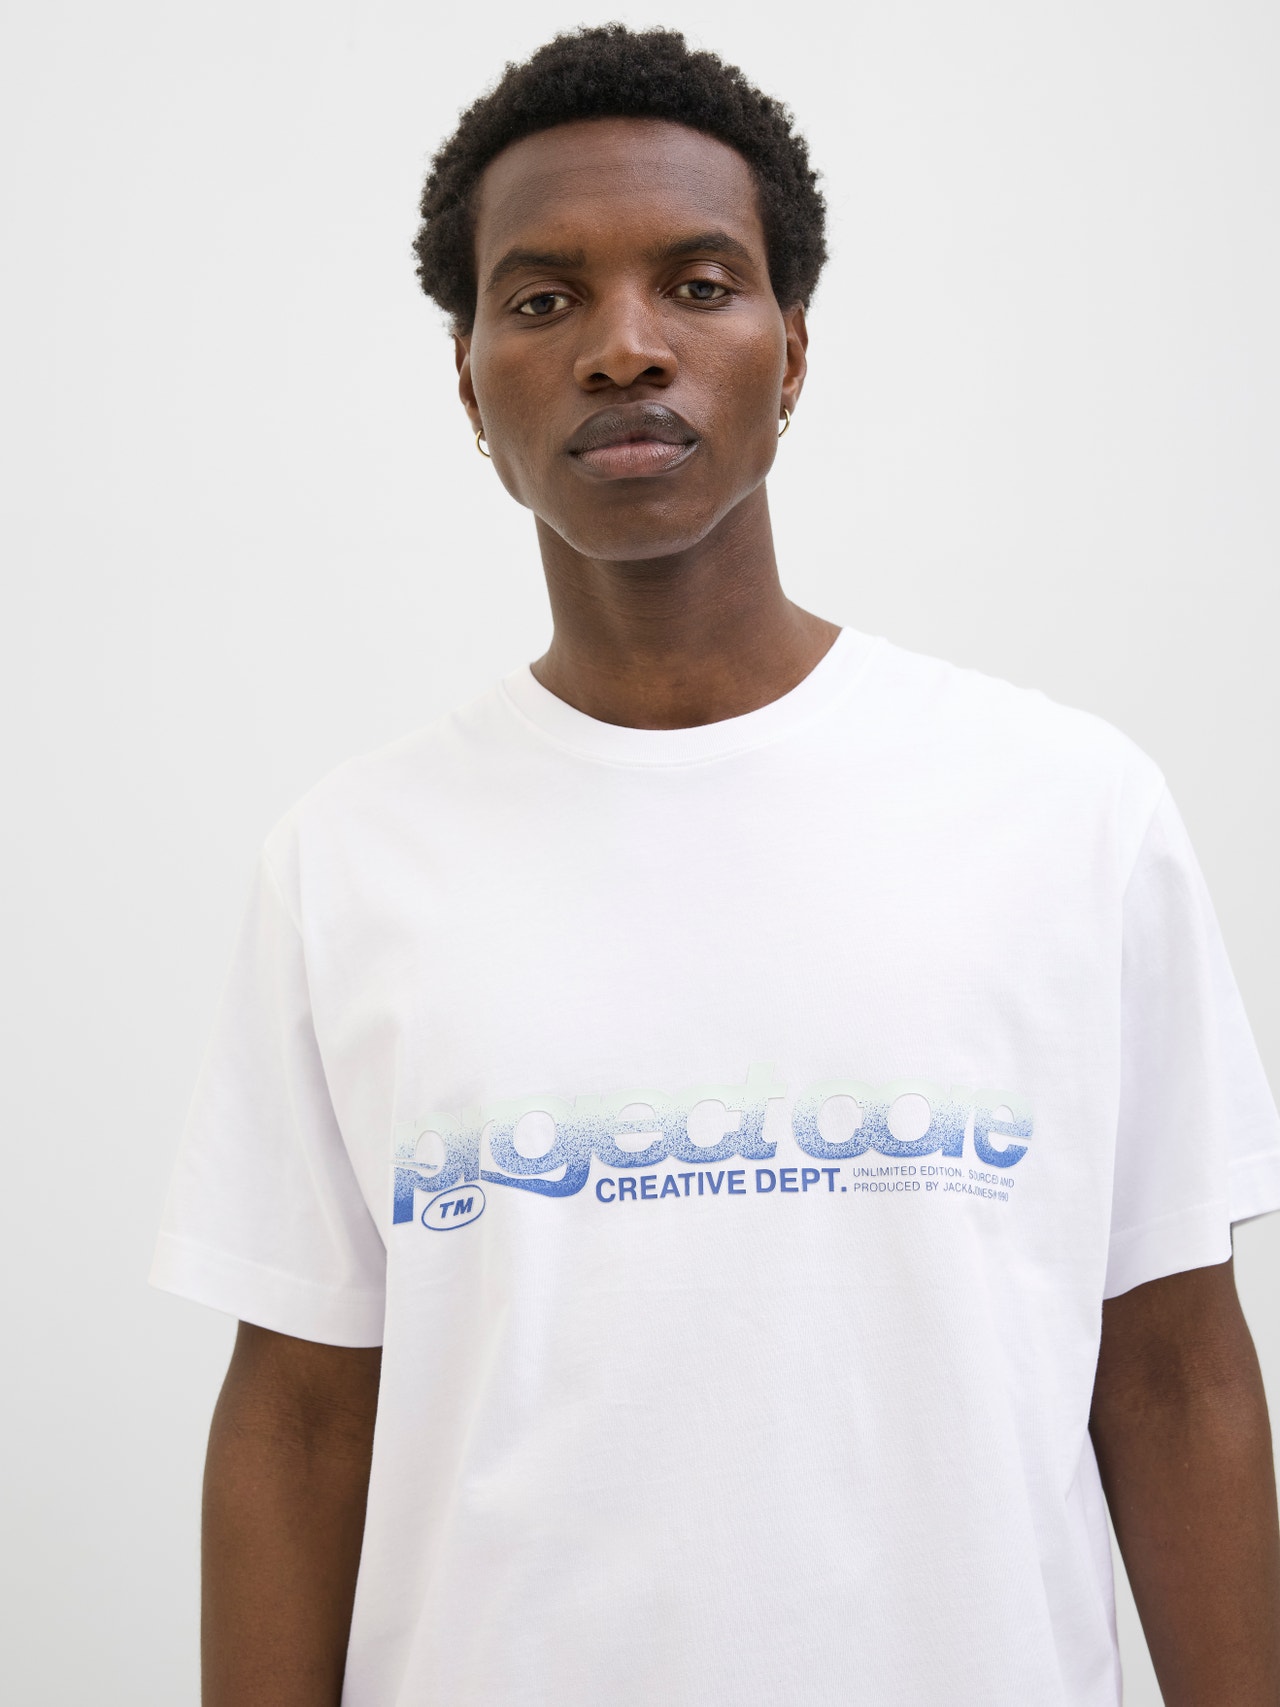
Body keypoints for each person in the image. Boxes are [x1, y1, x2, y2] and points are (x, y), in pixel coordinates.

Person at [151, 24, 1280, 1707]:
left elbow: (1176, 1376)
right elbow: (303, 1421)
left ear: (792, 349)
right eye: (544, 299)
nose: (625, 348)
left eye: (697, 284)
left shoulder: (1067, 810)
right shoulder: (350, 863)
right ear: (469, 384)